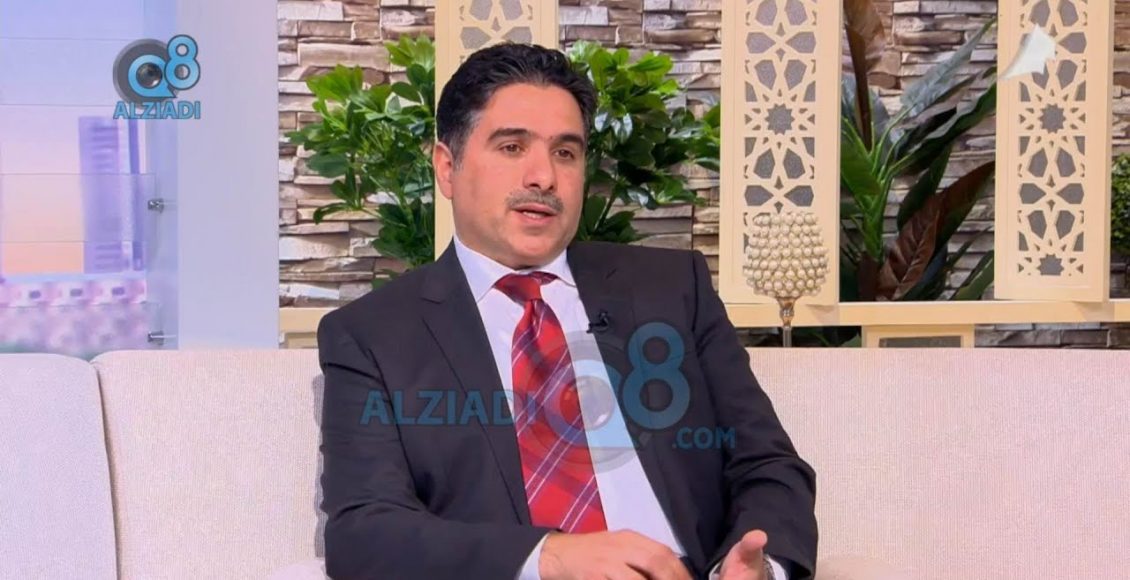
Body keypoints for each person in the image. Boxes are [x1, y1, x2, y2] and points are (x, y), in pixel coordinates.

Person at [317, 42, 817, 580]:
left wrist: (760, 568)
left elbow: (767, 465)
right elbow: (364, 530)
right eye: (512, 147)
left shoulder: (673, 289)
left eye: (565, 153)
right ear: (447, 167)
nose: (544, 177)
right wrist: (548, 557)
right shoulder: (372, 335)